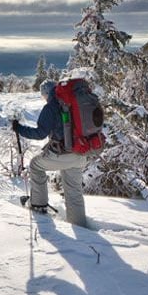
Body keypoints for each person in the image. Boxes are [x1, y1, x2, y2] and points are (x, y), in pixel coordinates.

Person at [12, 79, 89, 227]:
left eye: (43, 95)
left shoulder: (51, 107)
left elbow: (40, 133)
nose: (44, 98)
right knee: (74, 192)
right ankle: (80, 227)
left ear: (47, 93)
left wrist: (20, 129)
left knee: (35, 165)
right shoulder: (74, 103)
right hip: (80, 153)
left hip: (63, 154)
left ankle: (38, 205)